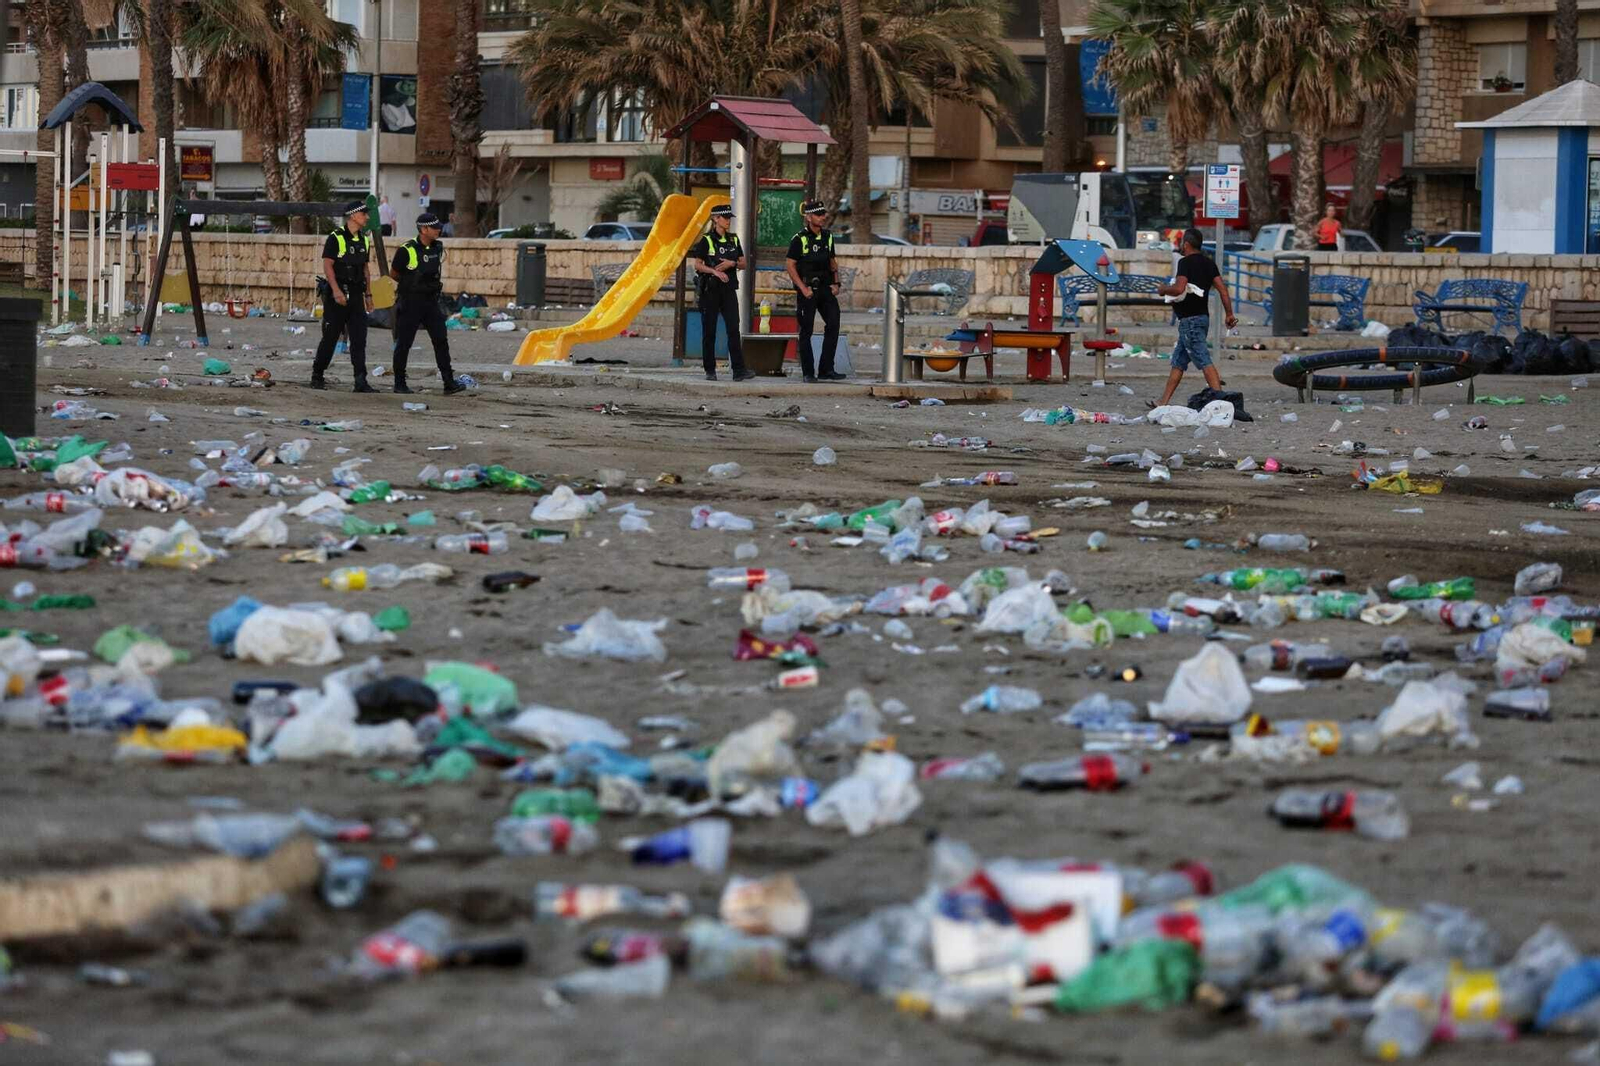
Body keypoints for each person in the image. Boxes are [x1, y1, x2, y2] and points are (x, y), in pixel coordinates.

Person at [1154, 227, 1236, 407]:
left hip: (1190, 321)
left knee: (1203, 358)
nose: (1182, 245)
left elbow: (1179, 288)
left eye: (1183, 242)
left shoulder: (1185, 262)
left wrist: (1163, 290)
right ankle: (1163, 402)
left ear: (1187, 244)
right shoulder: (1209, 264)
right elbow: (1223, 290)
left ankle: (1222, 403)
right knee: (1178, 362)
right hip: (1201, 319)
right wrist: (1229, 314)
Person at [388, 212, 464, 395]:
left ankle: (448, 382)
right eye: (434, 227)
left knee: (440, 340)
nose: (439, 230)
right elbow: (394, 274)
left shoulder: (437, 248)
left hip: (430, 302)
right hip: (411, 302)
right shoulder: (406, 250)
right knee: (404, 342)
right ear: (423, 229)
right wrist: (411, 284)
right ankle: (399, 383)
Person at [311, 200, 376, 393]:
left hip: (356, 295)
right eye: (364, 214)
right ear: (354, 216)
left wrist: (369, 294)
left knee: (359, 338)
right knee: (330, 337)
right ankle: (317, 375)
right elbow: (328, 265)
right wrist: (336, 290)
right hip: (337, 295)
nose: (367, 217)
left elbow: (365, 269)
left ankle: (360, 380)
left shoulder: (364, 239)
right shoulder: (336, 238)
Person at [691, 204, 753, 381]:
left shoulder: (733, 240)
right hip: (710, 290)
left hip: (728, 290)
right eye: (724, 217)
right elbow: (698, 264)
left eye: (729, 218)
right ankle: (710, 370)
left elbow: (743, 263)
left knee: (734, 329)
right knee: (709, 330)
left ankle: (739, 370)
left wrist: (730, 264)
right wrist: (714, 271)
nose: (728, 221)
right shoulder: (707, 240)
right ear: (715, 219)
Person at [785, 199, 845, 382]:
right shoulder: (799, 239)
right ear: (809, 217)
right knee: (806, 330)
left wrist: (836, 283)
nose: (823, 217)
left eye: (823, 214)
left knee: (833, 324)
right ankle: (808, 372)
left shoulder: (828, 237)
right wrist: (802, 288)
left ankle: (827, 369)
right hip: (808, 290)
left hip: (826, 289)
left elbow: (832, 262)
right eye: (818, 214)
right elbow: (790, 265)